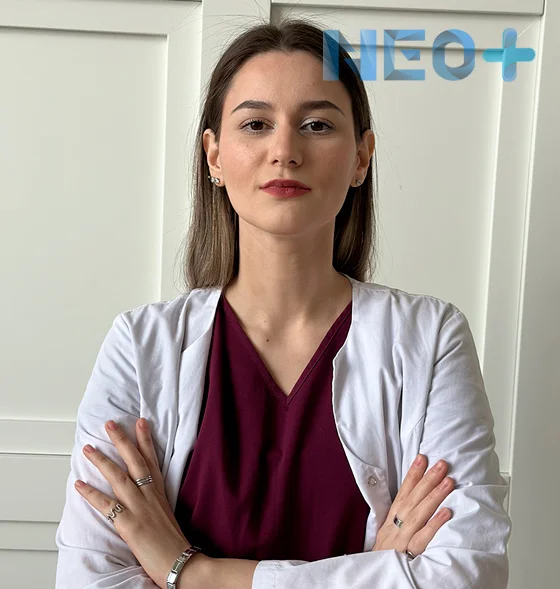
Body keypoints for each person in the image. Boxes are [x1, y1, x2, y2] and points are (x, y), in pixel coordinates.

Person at [55, 17, 512, 589]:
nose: (285, 151)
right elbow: (92, 580)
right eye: (256, 124)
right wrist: (381, 570)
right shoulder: (139, 345)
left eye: (317, 124)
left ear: (361, 157)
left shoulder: (432, 336)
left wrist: (193, 572)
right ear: (214, 156)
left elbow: (469, 574)